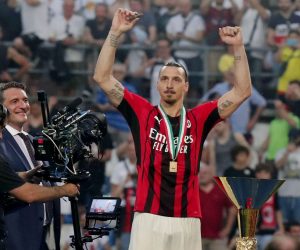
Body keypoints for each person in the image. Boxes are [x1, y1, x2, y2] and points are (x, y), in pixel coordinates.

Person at [93, 8, 252, 250]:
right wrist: (115, 32)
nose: (169, 84)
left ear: (186, 86)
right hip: (148, 217)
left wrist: (238, 47)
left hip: (188, 220)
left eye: (176, 79)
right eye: (164, 79)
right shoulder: (142, 112)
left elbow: (242, 92)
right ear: (157, 84)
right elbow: (102, 77)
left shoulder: (199, 118)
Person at [0, 103, 79, 250]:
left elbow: (4, 179)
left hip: (41, 235)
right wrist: (66, 190)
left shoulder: (31, 140)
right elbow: (28, 194)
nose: (0, 136)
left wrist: (23, 176)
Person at [0, 81, 59, 250]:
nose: (23, 105)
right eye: (14, 101)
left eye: (25, 100)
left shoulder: (35, 141)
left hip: (42, 237)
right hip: (14, 239)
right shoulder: (0, 141)